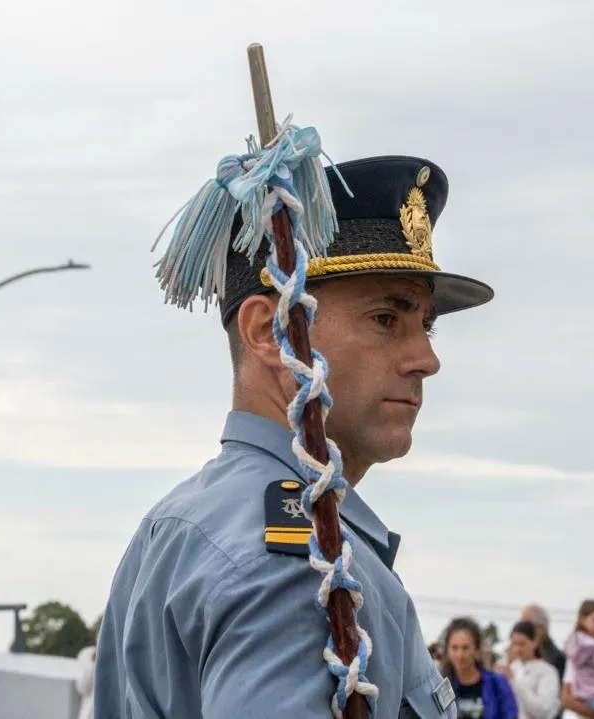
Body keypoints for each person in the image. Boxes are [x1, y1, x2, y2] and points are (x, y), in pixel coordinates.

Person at [93, 121, 496, 717]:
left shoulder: (187, 522)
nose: (427, 360)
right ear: (267, 331)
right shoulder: (297, 562)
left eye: (426, 324)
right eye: (388, 318)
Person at [441, 617, 518, 719]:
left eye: (465, 648)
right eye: (454, 648)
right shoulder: (440, 686)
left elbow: (511, 715)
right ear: (447, 650)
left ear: (477, 650)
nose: (460, 655)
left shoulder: (497, 684)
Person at [498, 620, 563, 719]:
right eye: (514, 644)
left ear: (535, 642)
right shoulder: (508, 667)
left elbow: (543, 710)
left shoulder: (547, 671)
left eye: (522, 644)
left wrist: (514, 681)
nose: (518, 649)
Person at [523, 603, 568, 683]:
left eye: (526, 626)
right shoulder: (519, 656)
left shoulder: (555, 659)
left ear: (542, 628)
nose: (521, 631)